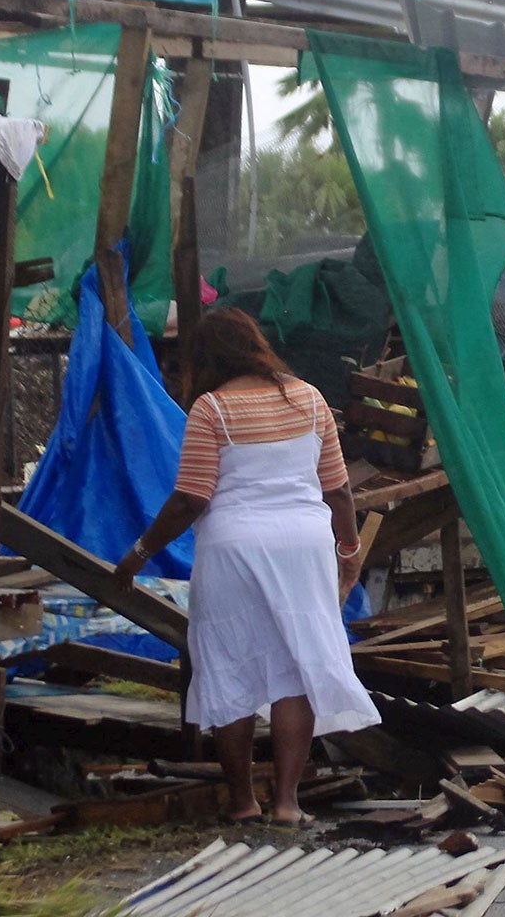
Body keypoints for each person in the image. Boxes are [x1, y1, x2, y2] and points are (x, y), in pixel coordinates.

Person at [114, 308, 379, 826]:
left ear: (205, 357)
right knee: (294, 670)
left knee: (229, 666)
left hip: (234, 548)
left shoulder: (211, 409)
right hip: (304, 548)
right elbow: (340, 490)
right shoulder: (309, 397)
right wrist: (348, 555)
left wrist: (139, 553)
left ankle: (242, 801)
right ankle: (287, 803)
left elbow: (190, 499)